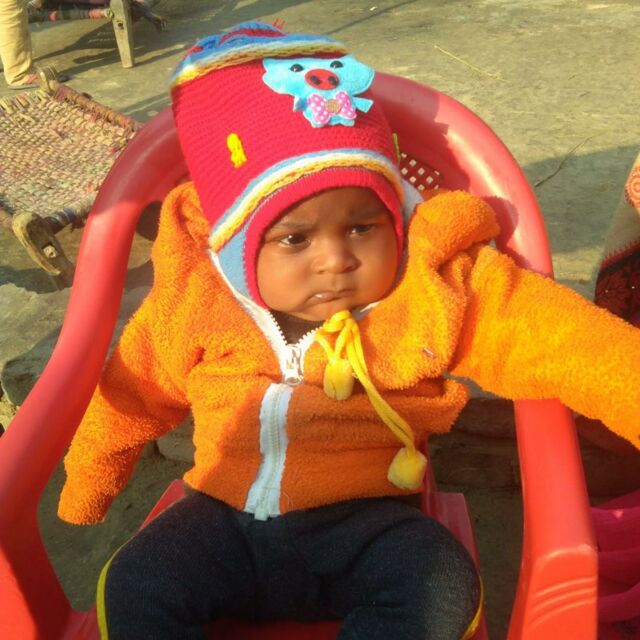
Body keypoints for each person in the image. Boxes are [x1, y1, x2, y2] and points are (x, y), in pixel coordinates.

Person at [57, 21, 640, 640]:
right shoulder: (196, 297)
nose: (335, 260)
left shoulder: (433, 287)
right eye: (295, 239)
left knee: (441, 583)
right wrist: (90, 478)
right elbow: (135, 387)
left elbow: (566, 342)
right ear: (235, 246)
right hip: (220, 517)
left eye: (363, 227)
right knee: (134, 583)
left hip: (367, 525)